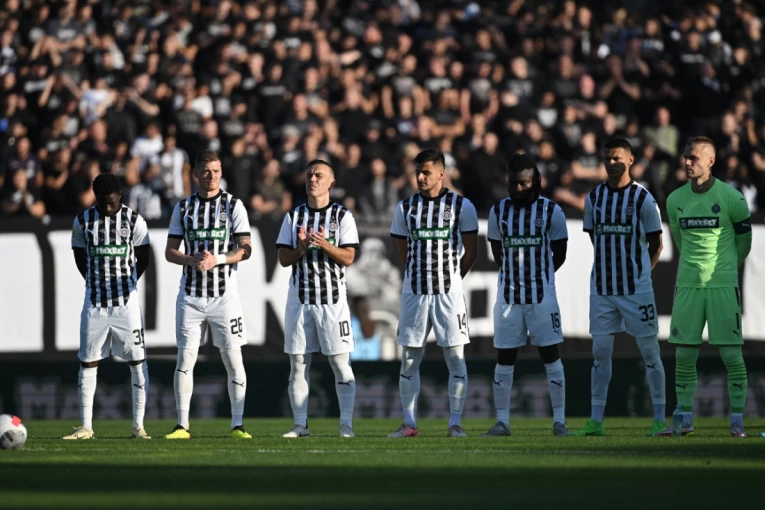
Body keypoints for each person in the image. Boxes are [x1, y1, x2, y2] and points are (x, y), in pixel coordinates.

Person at [656, 137, 752, 438]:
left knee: (732, 357)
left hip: (722, 287)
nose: (687, 162)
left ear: (710, 162)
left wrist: (724, 269)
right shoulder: (675, 199)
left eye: (694, 158)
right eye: (686, 157)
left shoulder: (732, 198)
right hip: (688, 287)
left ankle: (737, 421)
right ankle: (684, 419)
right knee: (684, 358)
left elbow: (744, 243)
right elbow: (680, 241)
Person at [572, 137, 667, 437]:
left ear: (630, 160)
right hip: (602, 288)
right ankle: (596, 421)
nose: (611, 163)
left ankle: (659, 419)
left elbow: (657, 244)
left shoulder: (643, 199)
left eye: (617, 158)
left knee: (650, 352)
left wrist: (642, 274)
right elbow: (595, 238)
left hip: (636, 289)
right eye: (607, 159)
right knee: (600, 353)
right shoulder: (594, 197)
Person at [388, 149, 479, 438]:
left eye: (426, 172)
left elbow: (471, 252)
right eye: (417, 172)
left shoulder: (461, 206)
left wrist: (451, 279)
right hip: (415, 293)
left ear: (441, 173)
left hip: (448, 295)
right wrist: (421, 275)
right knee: (409, 358)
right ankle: (409, 423)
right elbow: (404, 252)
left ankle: (455, 424)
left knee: (455, 358)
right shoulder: (405, 208)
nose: (420, 177)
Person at [164, 150, 253, 440]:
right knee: (185, 361)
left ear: (221, 171)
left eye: (216, 171)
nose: (211, 176)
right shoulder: (184, 207)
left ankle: (237, 425)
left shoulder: (233, 205)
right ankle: (182, 426)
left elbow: (246, 248)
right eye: (206, 171)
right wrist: (189, 260)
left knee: (233, 360)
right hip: (191, 297)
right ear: (195, 174)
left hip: (224, 297)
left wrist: (218, 259)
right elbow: (170, 251)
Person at [481, 153, 570, 438]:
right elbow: (498, 254)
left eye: (523, 183)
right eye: (513, 183)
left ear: (536, 181)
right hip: (508, 298)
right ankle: (502, 422)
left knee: (550, 355)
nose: (518, 188)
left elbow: (560, 254)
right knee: (504, 357)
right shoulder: (498, 212)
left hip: (542, 297)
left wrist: (538, 275)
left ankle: (559, 422)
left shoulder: (552, 211)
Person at [276, 159, 360, 438]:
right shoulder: (293, 216)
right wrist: (301, 248)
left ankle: (346, 424)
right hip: (300, 301)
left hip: (332, 302)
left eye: (319, 175)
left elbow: (348, 257)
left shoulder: (342, 216)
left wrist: (325, 244)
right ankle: (300, 424)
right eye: (310, 174)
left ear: (331, 182)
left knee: (340, 364)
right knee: (298, 364)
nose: (313, 179)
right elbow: (283, 259)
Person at [64, 173, 151, 440]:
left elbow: (144, 257)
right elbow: (79, 256)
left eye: (112, 202)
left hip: (126, 304)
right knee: (88, 361)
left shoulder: (134, 221)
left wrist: (127, 285)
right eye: (103, 203)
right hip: (95, 303)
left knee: (137, 362)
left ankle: (138, 426)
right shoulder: (82, 221)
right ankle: (86, 426)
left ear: (120, 197)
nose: (108, 207)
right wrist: (94, 282)